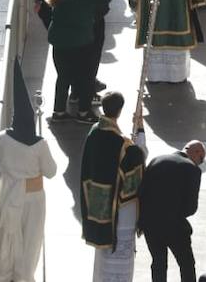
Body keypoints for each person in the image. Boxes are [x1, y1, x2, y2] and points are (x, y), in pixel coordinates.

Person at [0, 59, 57, 282]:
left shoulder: (1, 138)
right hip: (34, 197)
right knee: (30, 241)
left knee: (9, 240)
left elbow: (0, 157)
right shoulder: (39, 145)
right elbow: (51, 171)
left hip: (9, 193)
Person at [79, 92, 145, 276]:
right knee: (119, 264)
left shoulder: (93, 132)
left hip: (97, 206)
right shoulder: (124, 145)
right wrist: (140, 130)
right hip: (120, 211)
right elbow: (139, 163)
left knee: (102, 259)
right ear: (120, 111)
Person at [47, 0, 114, 122]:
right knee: (85, 77)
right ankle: (84, 113)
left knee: (63, 77)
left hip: (59, 42)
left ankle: (59, 112)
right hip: (80, 42)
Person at [137, 139, 206, 282]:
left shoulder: (157, 160)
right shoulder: (192, 169)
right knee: (186, 264)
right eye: (201, 159)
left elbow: (142, 191)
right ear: (196, 152)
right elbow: (191, 207)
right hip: (174, 226)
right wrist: (173, 214)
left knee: (158, 263)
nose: (200, 162)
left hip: (150, 224)